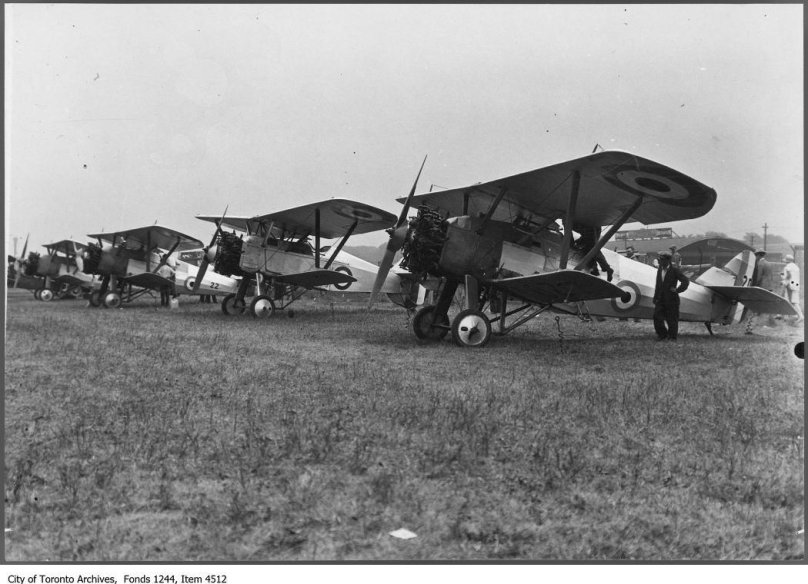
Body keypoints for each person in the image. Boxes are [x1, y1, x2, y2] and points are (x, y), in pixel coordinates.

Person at [653, 250, 689, 341]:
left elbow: (685, 281)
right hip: (660, 299)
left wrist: (677, 290)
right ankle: (662, 335)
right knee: (657, 317)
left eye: (661, 259)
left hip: (672, 299)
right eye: (659, 259)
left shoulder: (675, 270)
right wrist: (655, 297)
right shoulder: (660, 269)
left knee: (672, 319)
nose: (659, 261)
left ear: (667, 260)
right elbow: (658, 284)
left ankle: (672, 337)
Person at [745, 249, 776, 333]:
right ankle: (769, 323)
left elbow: (758, 277)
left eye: (755, 256)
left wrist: (754, 285)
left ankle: (749, 328)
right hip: (769, 287)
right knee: (765, 307)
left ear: (758, 255)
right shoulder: (768, 263)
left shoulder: (760, 264)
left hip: (762, 287)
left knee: (755, 307)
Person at [781, 254, 804, 323]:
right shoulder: (796, 267)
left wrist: (783, 280)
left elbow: (788, 276)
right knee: (794, 300)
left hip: (790, 285)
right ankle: (796, 315)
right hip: (796, 284)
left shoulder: (787, 267)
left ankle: (800, 316)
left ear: (787, 261)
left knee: (793, 302)